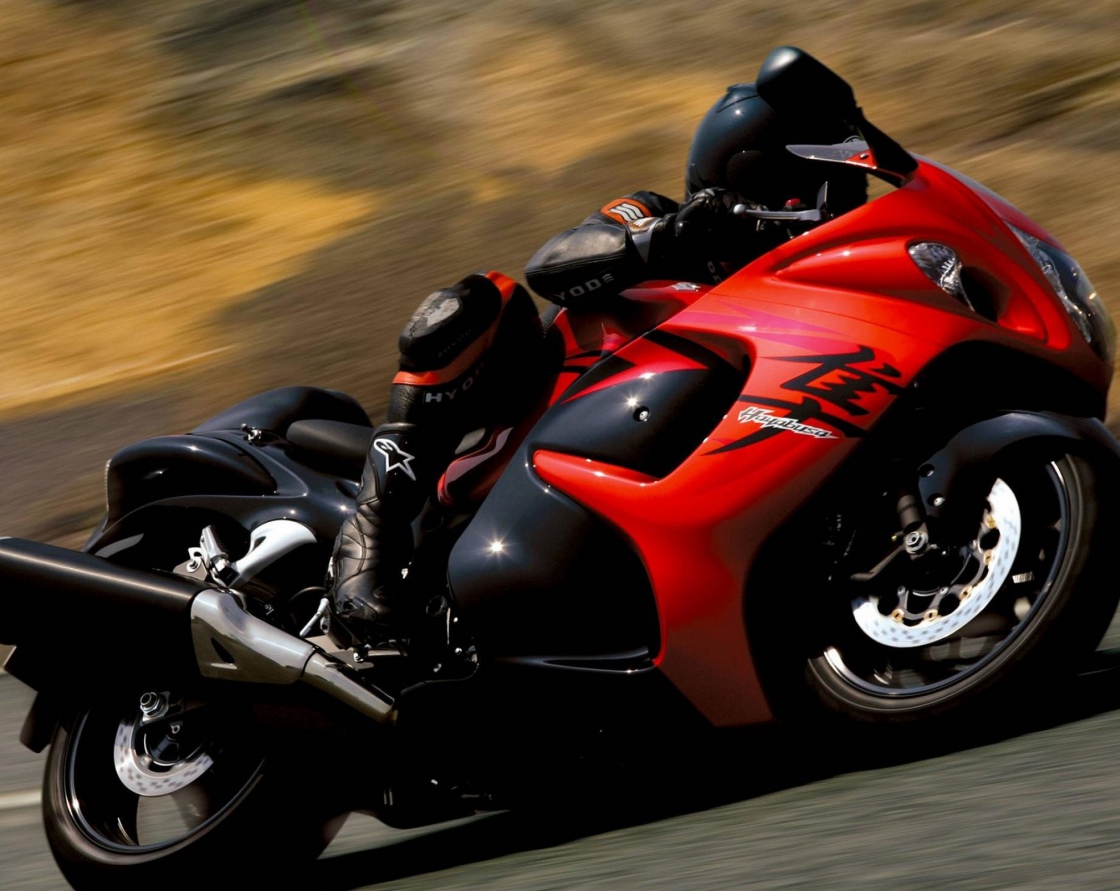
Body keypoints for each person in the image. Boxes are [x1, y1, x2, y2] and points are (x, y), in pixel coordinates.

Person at [326, 47, 868, 646]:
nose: (836, 211)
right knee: (485, 300)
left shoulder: (799, 301)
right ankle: (367, 540)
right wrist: (664, 239)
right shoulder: (651, 214)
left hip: (646, 503)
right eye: (818, 193)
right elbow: (551, 266)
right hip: (508, 454)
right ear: (752, 176)